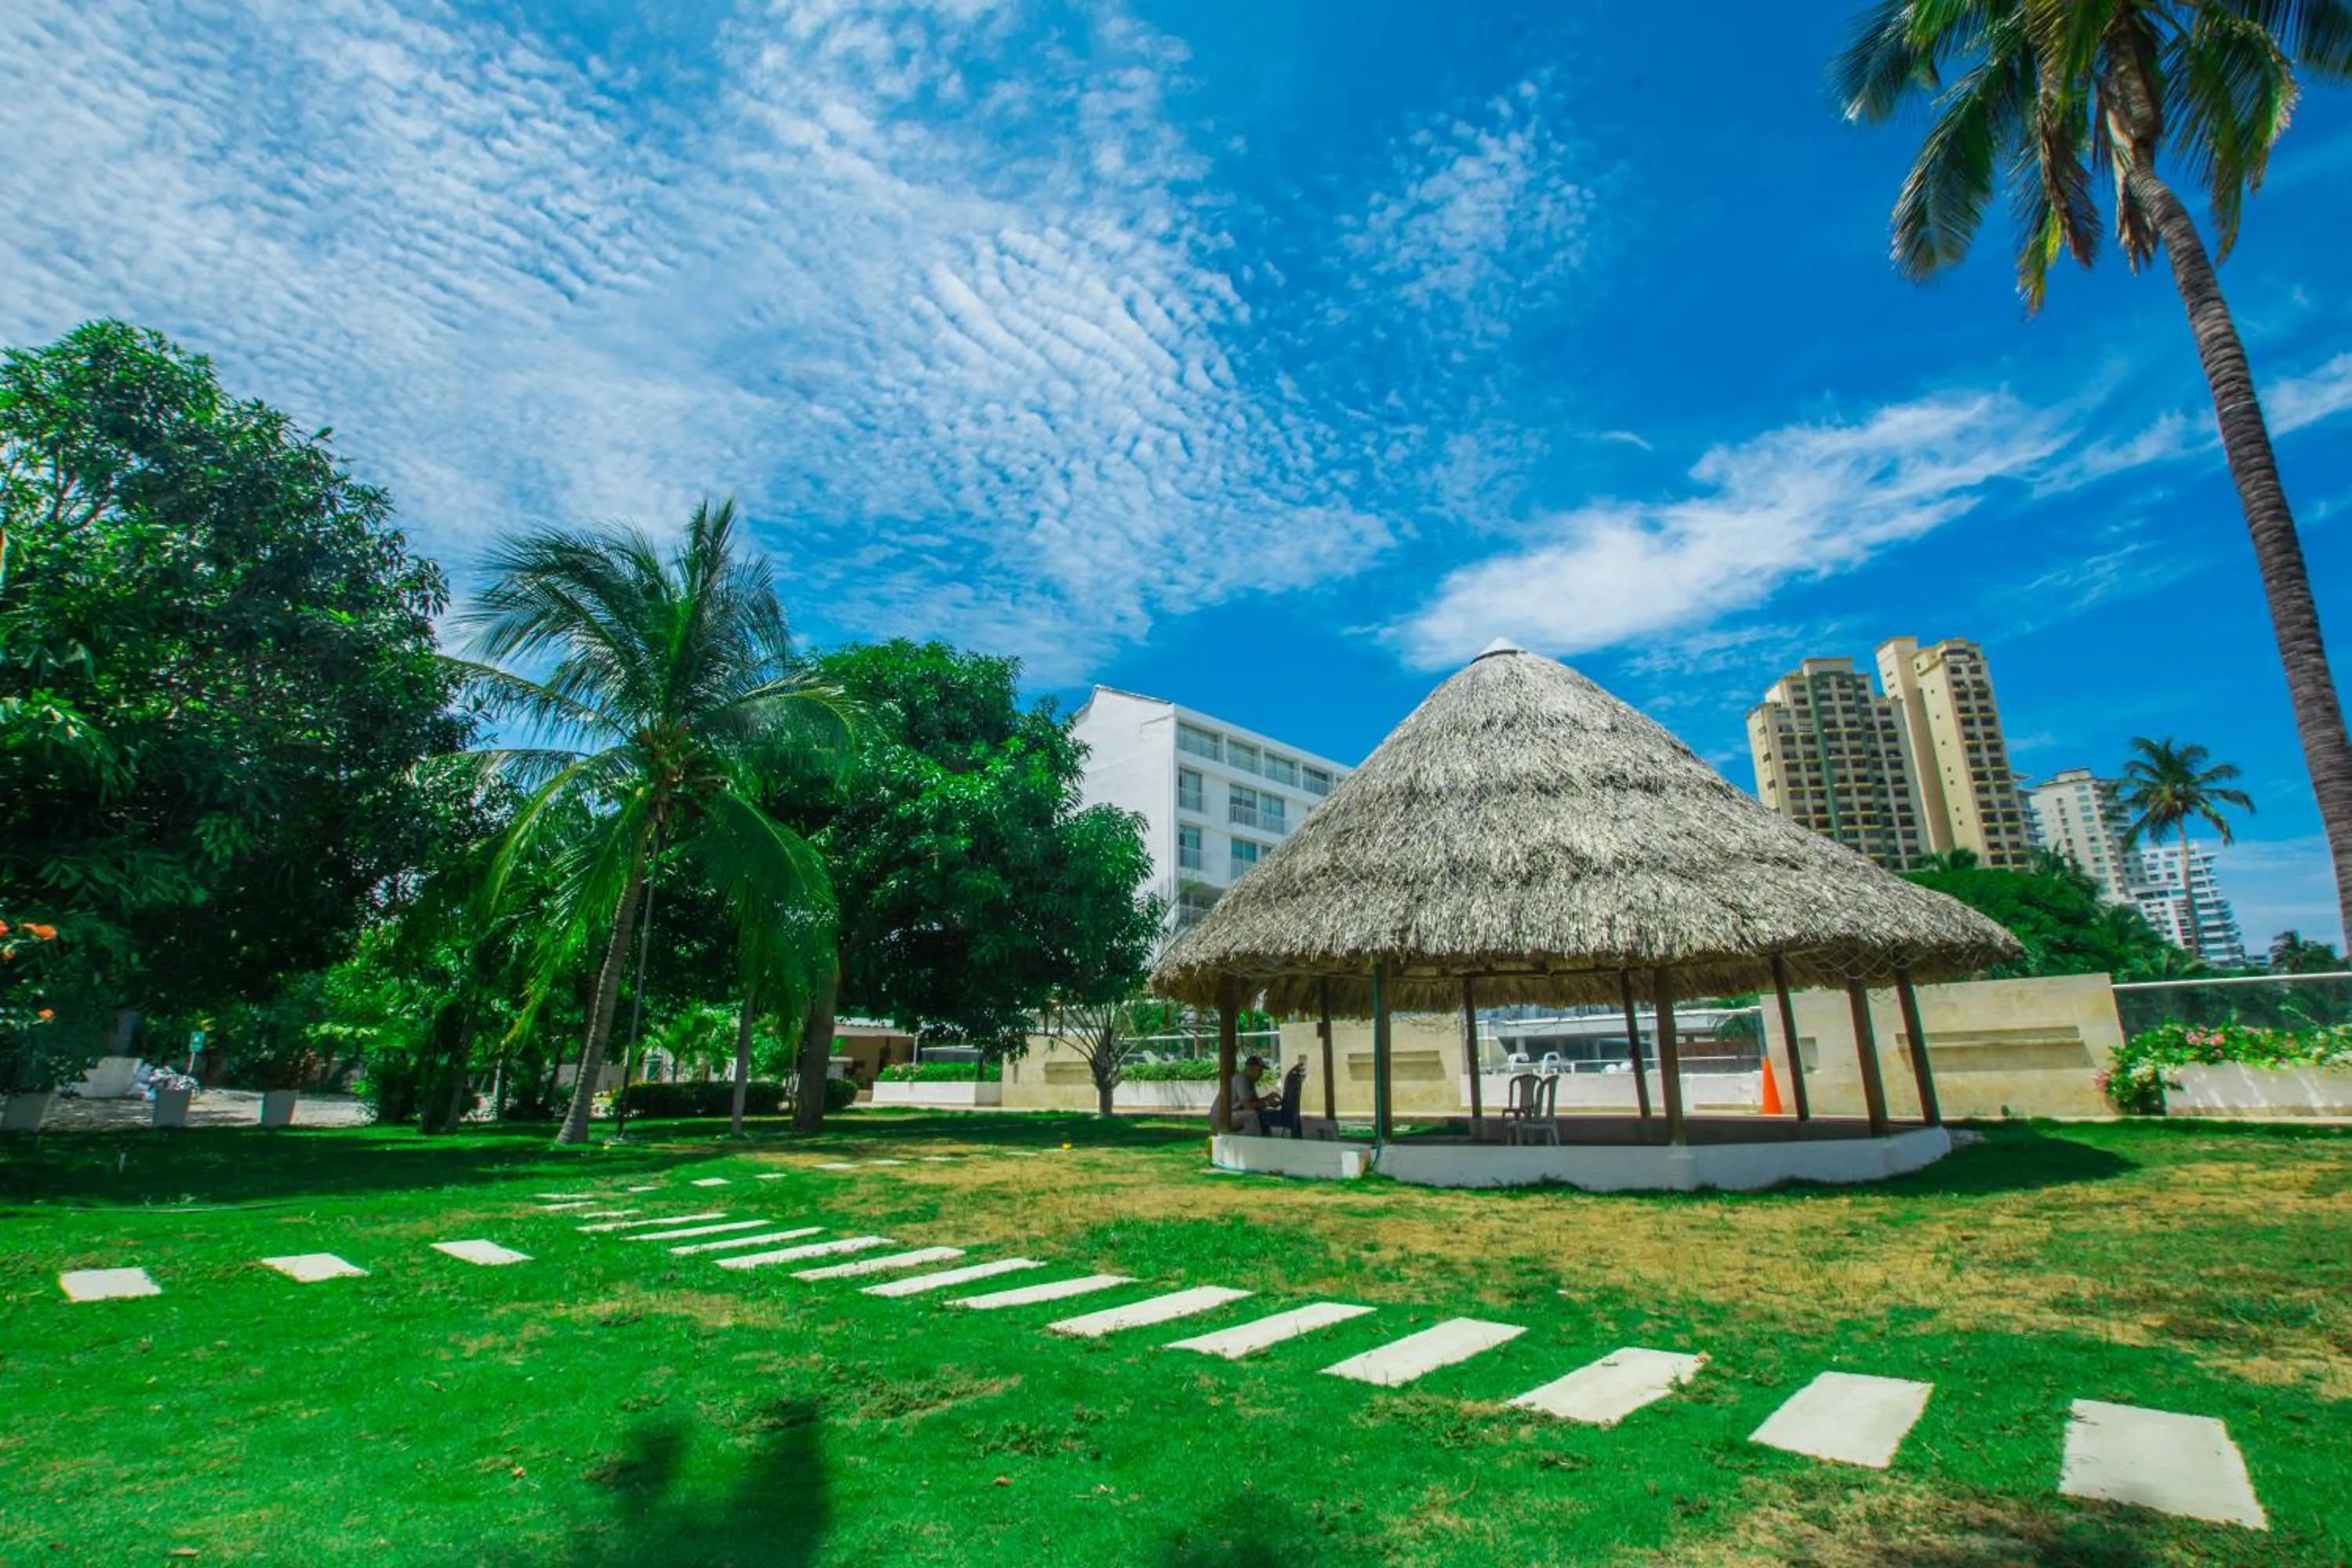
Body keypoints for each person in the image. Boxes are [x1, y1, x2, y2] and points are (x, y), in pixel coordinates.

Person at [1229, 1054, 1276, 1134]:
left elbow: (1255, 1102)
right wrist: (1267, 1103)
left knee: (1259, 1114)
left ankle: (1266, 1141)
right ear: (1251, 1068)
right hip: (1226, 1117)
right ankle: (1255, 1144)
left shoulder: (1250, 1081)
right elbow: (1248, 1106)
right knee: (1252, 1116)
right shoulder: (1242, 1079)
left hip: (1234, 1114)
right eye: (1259, 1071)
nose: (1261, 1074)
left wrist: (1267, 1098)